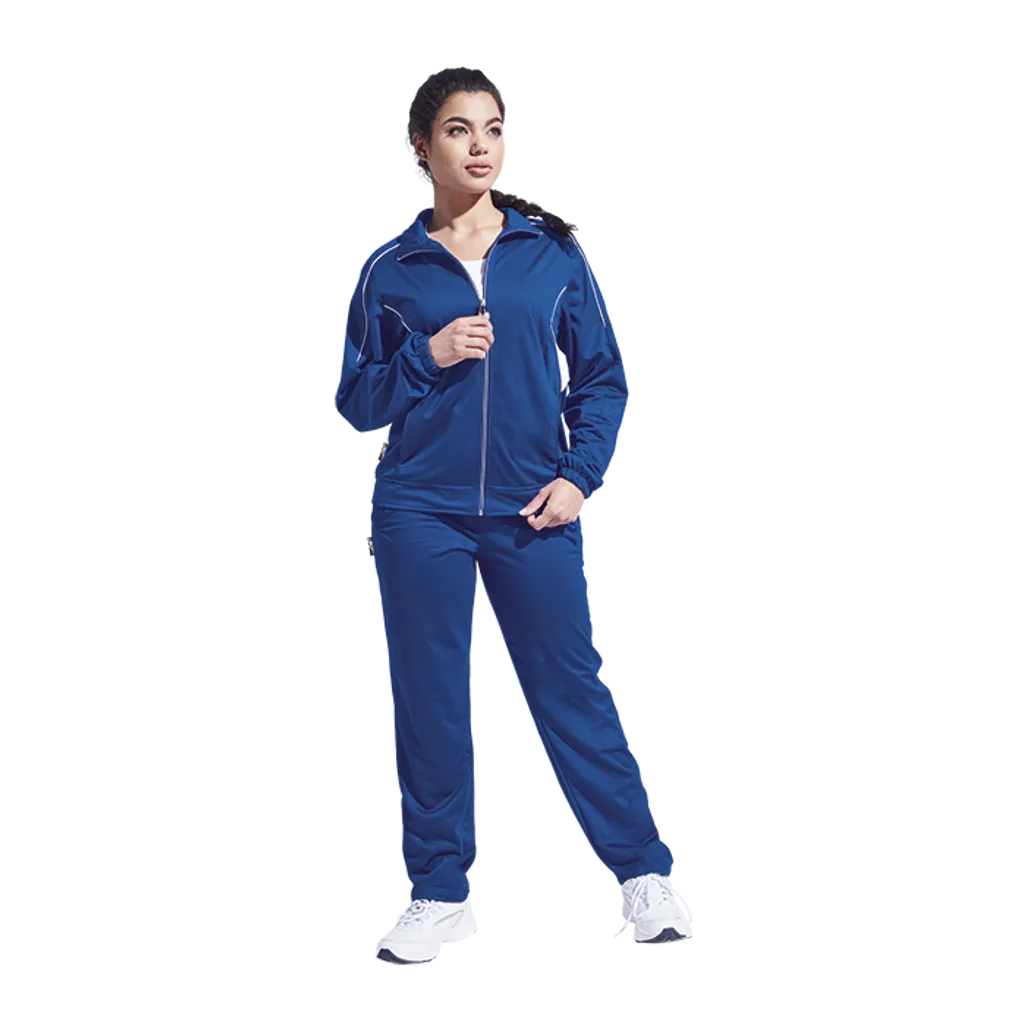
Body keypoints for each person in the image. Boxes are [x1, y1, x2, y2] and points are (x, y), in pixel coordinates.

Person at [334, 63, 695, 964]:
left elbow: (602, 380)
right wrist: (424, 356)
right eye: (460, 131)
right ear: (423, 147)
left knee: (571, 689)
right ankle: (440, 895)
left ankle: (643, 876)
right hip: (421, 512)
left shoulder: (552, 255)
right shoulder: (390, 268)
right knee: (430, 701)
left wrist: (579, 477)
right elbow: (357, 404)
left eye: (493, 129)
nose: (481, 147)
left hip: (536, 508)